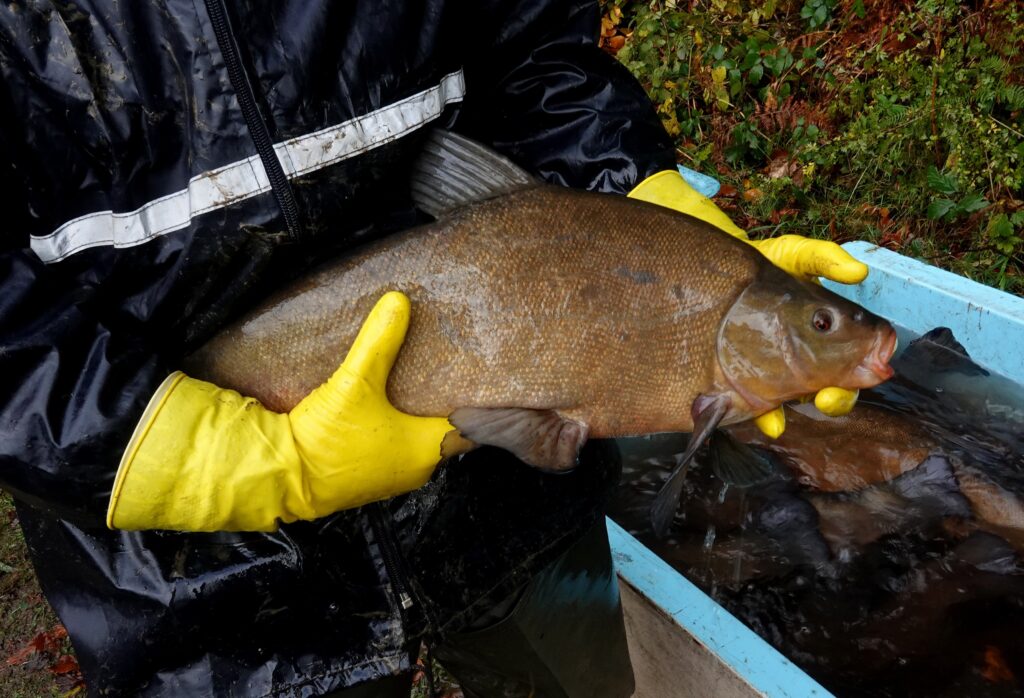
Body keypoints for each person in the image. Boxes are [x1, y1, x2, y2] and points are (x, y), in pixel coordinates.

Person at [0, 1, 865, 695]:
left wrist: (638, 204)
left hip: (510, 500)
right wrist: (182, 453)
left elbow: (535, 58)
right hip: (199, 576)